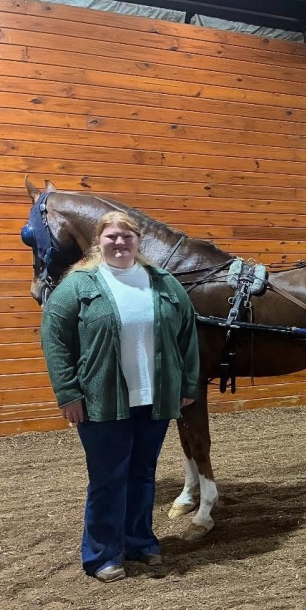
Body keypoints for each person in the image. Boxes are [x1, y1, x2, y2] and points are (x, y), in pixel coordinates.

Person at [40, 211, 200, 583]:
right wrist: (68, 392)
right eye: (112, 236)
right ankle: (101, 555)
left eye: (127, 236)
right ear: (100, 240)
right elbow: (55, 341)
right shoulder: (79, 285)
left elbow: (188, 335)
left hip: (155, 397)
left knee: (143, 474)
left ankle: (139, 542)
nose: (119, 242)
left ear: (138, 241)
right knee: (108, 477)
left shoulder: (163, 283)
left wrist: (187, 386)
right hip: (102, 400)